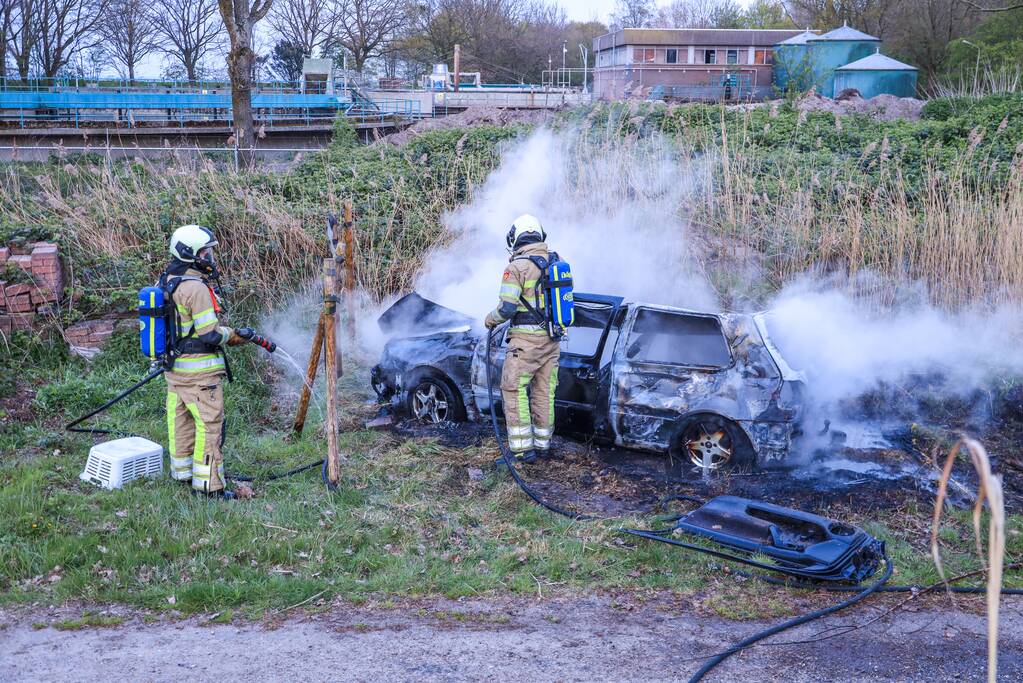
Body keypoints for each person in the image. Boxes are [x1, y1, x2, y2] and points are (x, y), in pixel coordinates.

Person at [161, 224, 258, 499]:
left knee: (180, 421)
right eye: (205, 253)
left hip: (175, 370)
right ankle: (210, 487)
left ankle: (183, 474)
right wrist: (235, 335)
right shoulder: (196, 288)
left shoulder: (168, 279)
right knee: (209, 424)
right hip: (200, 374)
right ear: (191, 254)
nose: (209, 259)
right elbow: (210, 333)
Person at [484, 214, 561, 463]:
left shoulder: (516, 267)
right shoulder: (555, 262)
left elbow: (506, 308)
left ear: (514, 238)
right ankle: (543, 447)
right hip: (552, 341)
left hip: (525, 344)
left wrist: (490, 319)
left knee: (513, 390)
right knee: (544, 393)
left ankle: (521, 452)